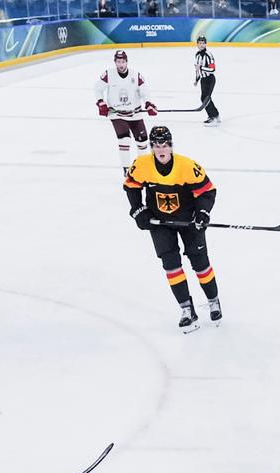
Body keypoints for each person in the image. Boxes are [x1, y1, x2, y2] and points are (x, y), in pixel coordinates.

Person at [125, 125, 220, 333]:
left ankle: (213, 300)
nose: (161, 149)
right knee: (171, 265)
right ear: (151, 147)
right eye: (156, 145)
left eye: (165, 145)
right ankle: (187, 309)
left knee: (200, 263)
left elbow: (207, 191)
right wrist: (138, 210)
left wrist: (202, 213)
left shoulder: (187, 166)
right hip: (160, 223)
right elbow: (131, 187)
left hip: (189, 221)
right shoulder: (141, 165)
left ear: (171, 146)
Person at [98, 49, 157, 173]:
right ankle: (126, 169)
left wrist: (149, 104)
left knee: (143, 141)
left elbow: (145, 91)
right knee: (124, 140)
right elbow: (97, 88)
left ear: (127, 61)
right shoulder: (108, 74)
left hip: (135, 114)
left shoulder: (135, 75)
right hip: (116, 114)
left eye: (123, 61)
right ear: (115, 62)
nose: (121, 64)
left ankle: (140, 168)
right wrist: (101, 102)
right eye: (118, 61)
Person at [193, 35, 220, 125]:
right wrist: (197, 79)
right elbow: (197, 69)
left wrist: (201, 67)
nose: (201, 45)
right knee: (204, 98)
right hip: (203, 80)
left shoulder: (209, 55)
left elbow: (212, 69)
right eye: (200, 43)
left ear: (206, 44)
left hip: (210, 79)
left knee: (206, 98)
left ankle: (213, 116)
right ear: (197, 44)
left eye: (203, 43)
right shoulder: (197, 55)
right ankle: (215, 115)